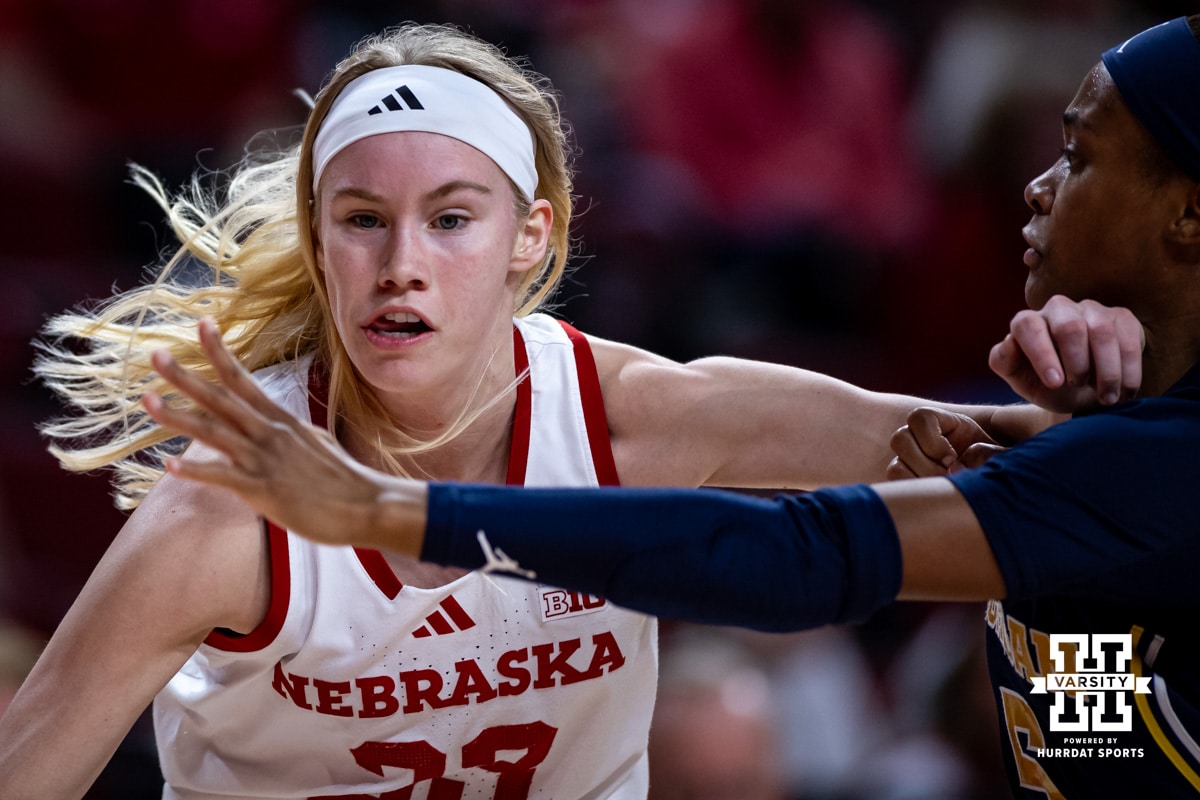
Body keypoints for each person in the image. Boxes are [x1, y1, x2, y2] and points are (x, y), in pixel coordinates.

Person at [0, 19, 1141, 800]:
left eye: (452, 218)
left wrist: (1103, 393)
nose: (403, 262)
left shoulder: (637, 416)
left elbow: (1054, 485)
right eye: (362, 219)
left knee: (723, 727)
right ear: (319, 240)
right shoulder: (222, 515)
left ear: (530, 237)